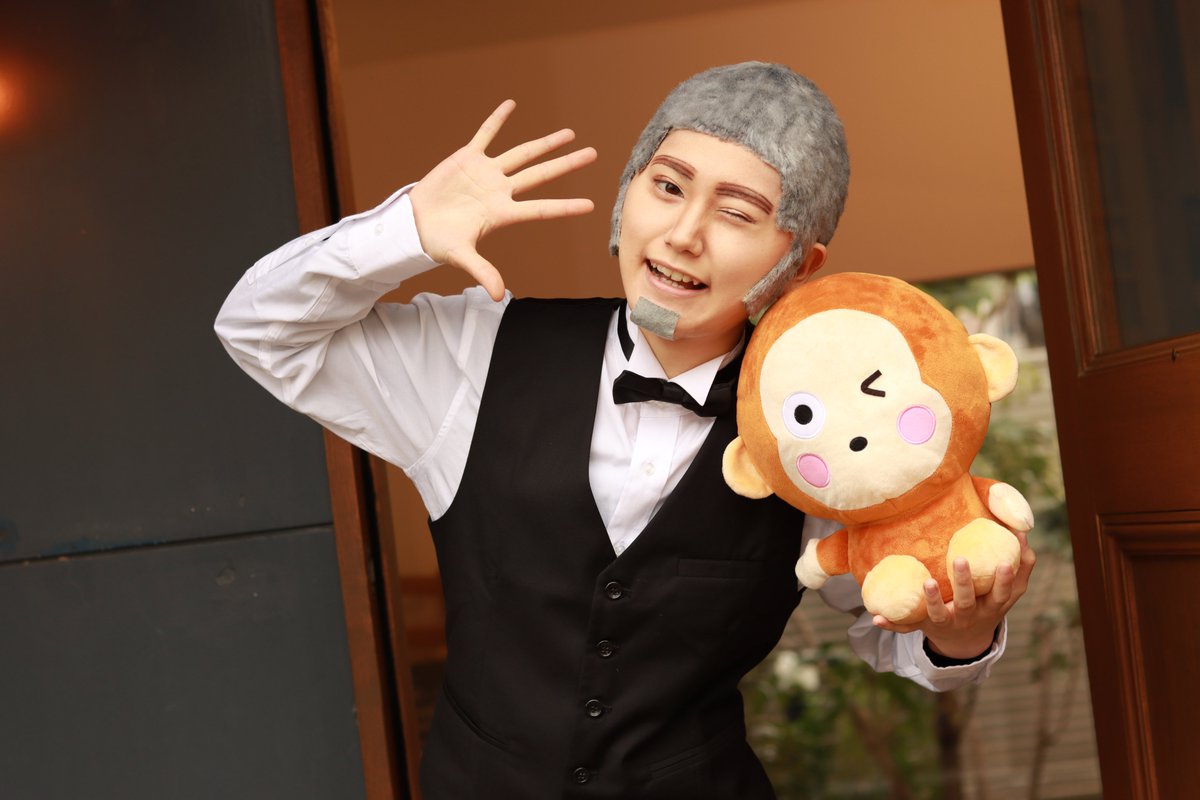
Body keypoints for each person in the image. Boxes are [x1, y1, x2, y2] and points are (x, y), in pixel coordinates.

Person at [216, 62, 1035, 799]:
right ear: (625, 195)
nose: (683, 234)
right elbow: (259, 328)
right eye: (667, 186)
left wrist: (961, 633)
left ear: (799, 265)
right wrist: (406, 231)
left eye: (737, 212)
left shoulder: (825, 424)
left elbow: (897, 633)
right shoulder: (474, 353)